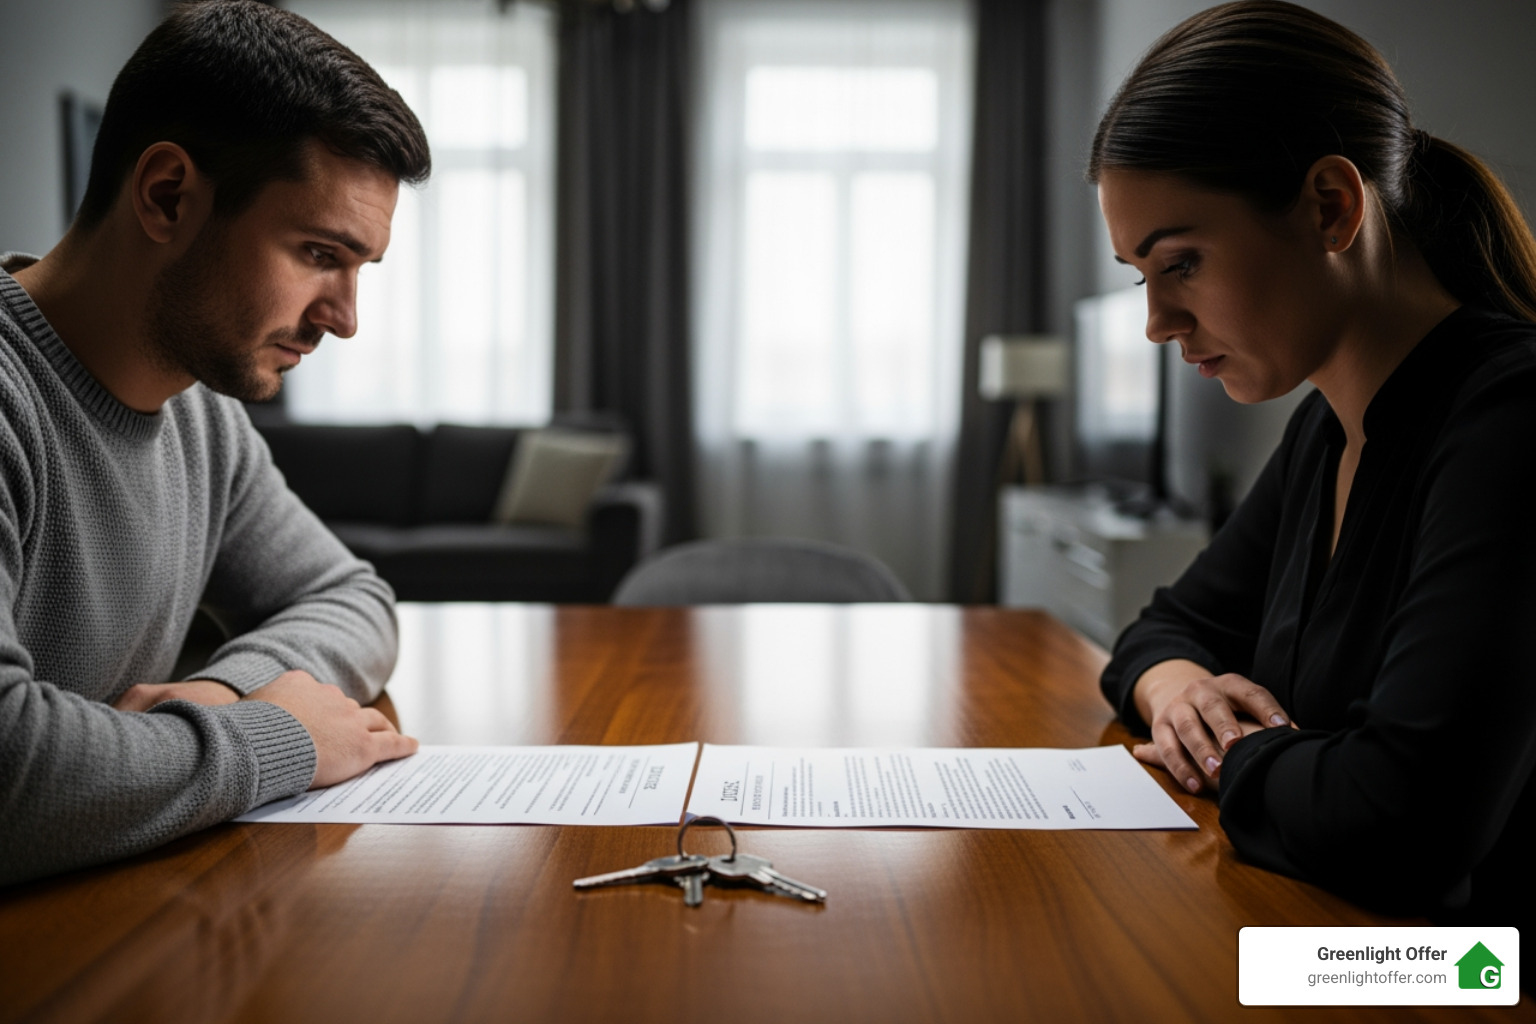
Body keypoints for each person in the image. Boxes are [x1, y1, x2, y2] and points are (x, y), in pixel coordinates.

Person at [1091, 0, 1536, 935]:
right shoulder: (1325, 430)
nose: (1156, 323)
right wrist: (1181, 694)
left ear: (1332, 207)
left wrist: (1229, 756)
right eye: (1143, 275)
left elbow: (1403, 820)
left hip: (1468, 979)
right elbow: (1166, 626)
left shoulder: (1510, 419)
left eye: (1184, 263)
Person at [0, 1, 431, 885]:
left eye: (360, 271)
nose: (345, 320)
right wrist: (277, 738)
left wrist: (220, 692)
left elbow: (351, 595)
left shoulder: (203, 420)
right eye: (319, 253)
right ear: (168, 196)